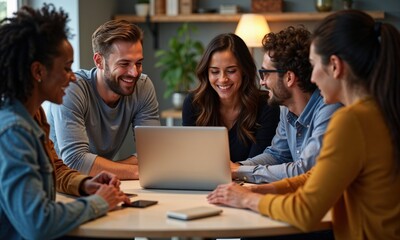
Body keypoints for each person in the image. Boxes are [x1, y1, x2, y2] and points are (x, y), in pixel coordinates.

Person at [208, 10, 400, 239]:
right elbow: (317, 174)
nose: (312, 77)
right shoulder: (377, 110)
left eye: (314, 65)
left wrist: (248, 198)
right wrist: (264, 187)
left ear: (335, 66)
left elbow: (306, 210)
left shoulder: (350, 120)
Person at [0, 4, 130, 239]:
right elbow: (37, 222)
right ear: (38, 71)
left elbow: (55, 170)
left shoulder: (33, 114)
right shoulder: (13, 131)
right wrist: (98, 203)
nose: (72, 76)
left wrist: (86, 184)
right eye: (66, 68)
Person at [46, 19, 160, 180]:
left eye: (139, 63)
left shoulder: (143, 86)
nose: (134, 73)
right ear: (99, 61)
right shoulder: (72, 88)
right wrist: (137, 171)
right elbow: (75, 161)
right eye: (124, 63)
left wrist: (104, 168)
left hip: (100, 183)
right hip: (60, 185)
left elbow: (153, 152)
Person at [230, 26, 342, 183]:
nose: (262, 82)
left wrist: (241, 171)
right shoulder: (286, 108)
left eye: (265, 73)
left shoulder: (329, 109)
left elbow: (305, 170)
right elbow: (277, 154)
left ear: (289, 77)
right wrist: (236, 167)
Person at [182, 33, 280, 163]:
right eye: (215, 71)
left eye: (231, 71)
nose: (223, 79)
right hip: (203, 182)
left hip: (250, 181)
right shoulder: (193, 103)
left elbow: (258, 164)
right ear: (206, 72)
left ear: (244, 71)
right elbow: (190, 159)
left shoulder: (266, 106)